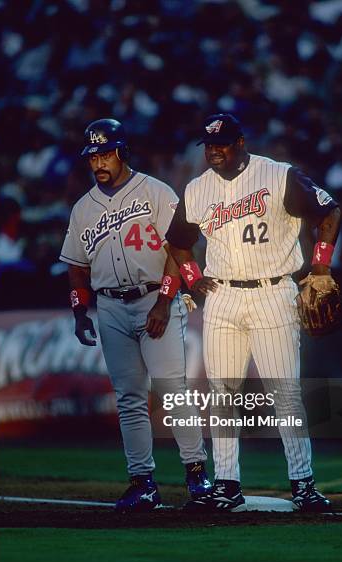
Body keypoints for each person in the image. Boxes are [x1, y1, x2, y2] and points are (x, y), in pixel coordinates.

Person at [166, 113, 342, 511]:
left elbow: (329, 212)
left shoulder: (278, 175)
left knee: (285, 392)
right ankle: (227, 484)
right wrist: (193, 279)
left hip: (273, 291)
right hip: (223, 297)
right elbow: (177, 243)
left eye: (222, 143)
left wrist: (319, 266)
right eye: (209, 145)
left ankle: (303, 483)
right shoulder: (196, 190)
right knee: (222, 392)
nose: (214, 151)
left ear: (241, 142)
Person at [59, 118, 211, 511]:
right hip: (109, 305)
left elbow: (179, 251)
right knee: (129, 398)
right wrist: (80, 312)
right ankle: (142, 481)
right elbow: (76, 266)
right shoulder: (83, 209)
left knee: (172, 391)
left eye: (106, 153)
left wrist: (163, 302)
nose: (99, 162)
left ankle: (197, 473)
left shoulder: (155, 191)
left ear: (122, 151)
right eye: (93, 156)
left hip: (152, 298)